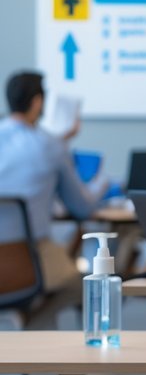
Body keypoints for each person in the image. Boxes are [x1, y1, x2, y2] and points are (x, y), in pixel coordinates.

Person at [0, 71, 102, 328]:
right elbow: (83, 208)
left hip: (8, 265)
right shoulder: (50, 146)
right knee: (85, 285)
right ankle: (34, 330)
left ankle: (31, 326)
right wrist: (107, 184)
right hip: (28, 262)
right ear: (37, 102)